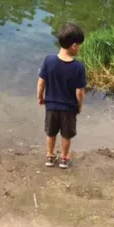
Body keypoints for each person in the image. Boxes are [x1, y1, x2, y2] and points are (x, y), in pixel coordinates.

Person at [37, 23, 87, 169]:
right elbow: (80, 91)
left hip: (51, 106)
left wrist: (40, 97)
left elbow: (41, 83)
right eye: (79, 45)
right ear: (73, 46)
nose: (79, 48)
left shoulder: (49, 60)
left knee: (50, 133)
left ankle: (50, 156)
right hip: (69, 108)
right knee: (66, 135)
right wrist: (79, 105)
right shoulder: (78, 67)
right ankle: (64, 158)